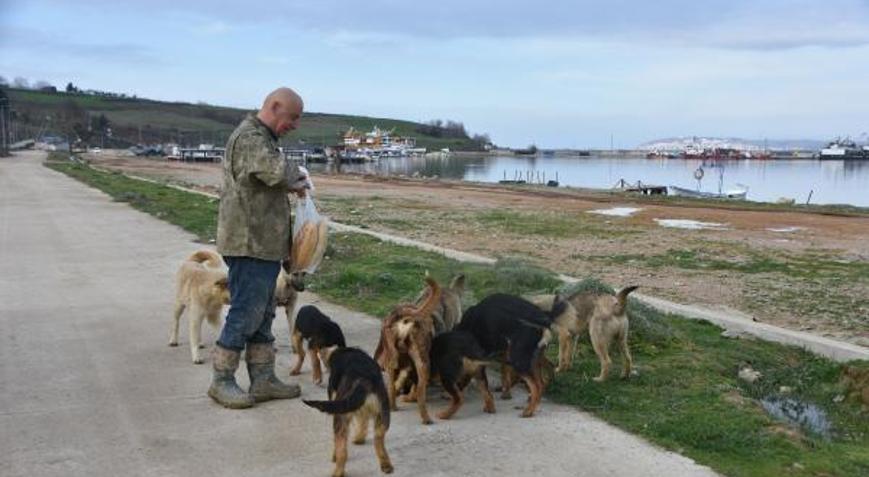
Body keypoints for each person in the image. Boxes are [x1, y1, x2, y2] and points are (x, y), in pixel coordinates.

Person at [209, 87, 310, 409]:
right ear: (275, 106)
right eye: (292, 117)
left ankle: (263, 378)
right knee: (246, 312)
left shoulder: (263, 139)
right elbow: (276, 171)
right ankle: (221, 380)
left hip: (262, 245)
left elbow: (269, 181)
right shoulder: (251, 137)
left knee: (263, 313)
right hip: (248, 244)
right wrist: (300, 176)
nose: (294, 125)